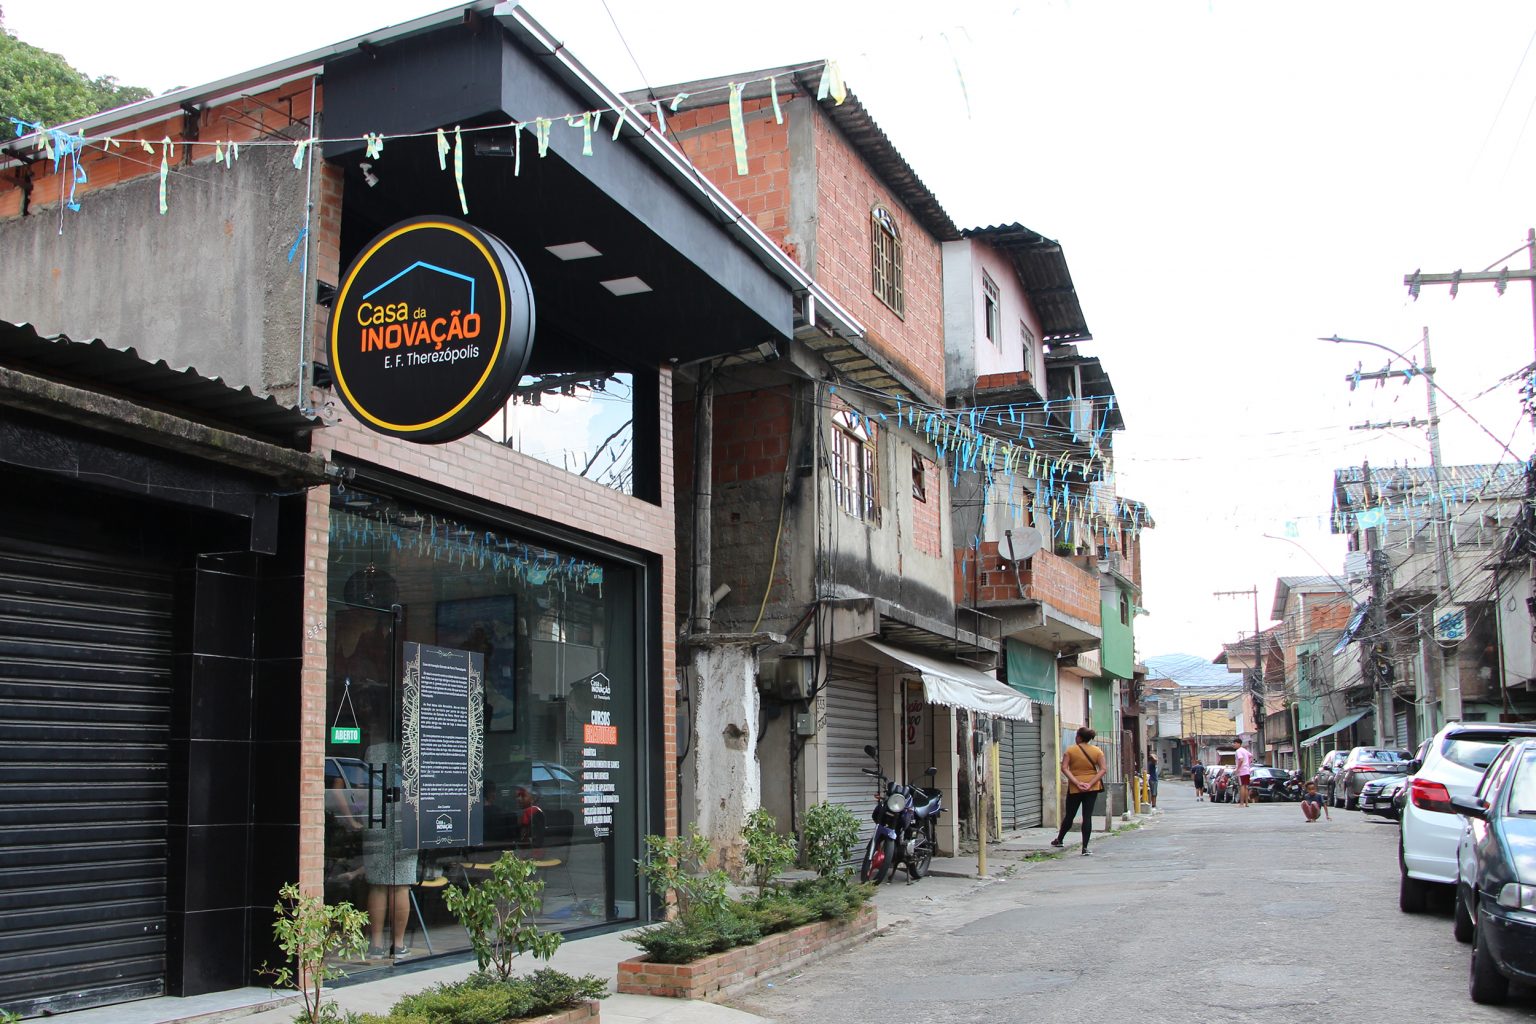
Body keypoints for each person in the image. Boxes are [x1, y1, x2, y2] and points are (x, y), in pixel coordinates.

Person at [1050, 726, 1107, 856]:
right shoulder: (1097, 751)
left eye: (1077, 736)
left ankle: (1060, 839)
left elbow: (1064, 768)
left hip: (1075, 788)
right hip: (1092, 788)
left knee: (1070, 815)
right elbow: (1103, 769)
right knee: (1087, 816)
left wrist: (1076, 782)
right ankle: (1085, 847)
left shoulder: (1070, 750)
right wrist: (1091, 783)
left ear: (1079, 737)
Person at [1234, 739, 1255, 808]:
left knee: (1242, 786)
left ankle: (1241, 803)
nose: (1234, 745)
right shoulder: (1244, 750)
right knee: (1246, 787)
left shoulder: (1238, 751)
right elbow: (1251, 756)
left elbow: (1241, 759)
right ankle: (1246, 803)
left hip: (1242, 771)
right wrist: (1248, 763)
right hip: (1247, 770)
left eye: (1235, 743)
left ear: (1239, 744)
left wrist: (1237, 769)